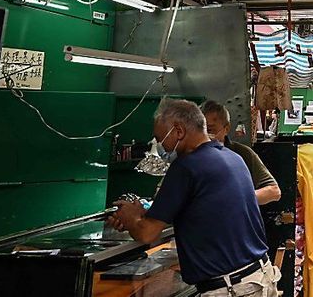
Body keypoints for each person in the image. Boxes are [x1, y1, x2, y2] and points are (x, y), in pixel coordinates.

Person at [108, 99, 279, 296]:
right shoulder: (233, 158)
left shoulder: (186, 167)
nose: (158, 146)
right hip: (260, 277)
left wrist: (131, 217)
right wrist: (140, 215)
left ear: (178, 131)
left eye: (160, 138)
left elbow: (147, 233)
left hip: (231, 289)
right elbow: (201, 210)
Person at [201, 100, 282, 206]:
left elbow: (274, 192)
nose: (206, 136)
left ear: (226, 128)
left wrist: (236, 199)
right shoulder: (191, 155)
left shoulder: (242, 154)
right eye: (201, 131)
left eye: (211, 130)